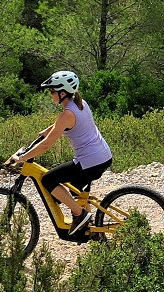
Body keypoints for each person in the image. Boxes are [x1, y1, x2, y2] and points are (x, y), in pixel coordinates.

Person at [6, 70, 113, 235]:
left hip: (90, 161)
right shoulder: (80, 103)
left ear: (63, 93)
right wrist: (48, 130)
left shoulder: (67, 114)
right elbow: (64, 124)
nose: (51, 94)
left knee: (48, 180)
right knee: (75, 189)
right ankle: (89, 228)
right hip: (102, 157)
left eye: (52, 91)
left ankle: (80, 214)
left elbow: (46, 145)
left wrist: (22, 158)